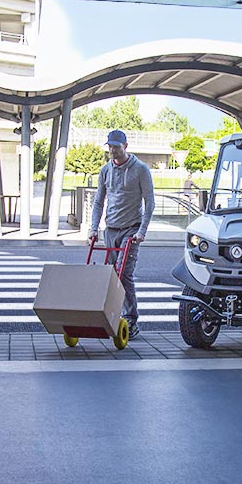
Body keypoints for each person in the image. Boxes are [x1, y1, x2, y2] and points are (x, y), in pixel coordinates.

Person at [89, 130, 155, 340]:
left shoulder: (140, 170)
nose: (112, 150)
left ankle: (131, 319)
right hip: (111, 229)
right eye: (110, 146)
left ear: (125, 146)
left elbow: (149, 202)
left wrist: (142, 231)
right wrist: (93, 228)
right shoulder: (105, 171)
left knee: (123, 274)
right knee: (111, 274)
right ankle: (109, 314)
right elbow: (99, 202)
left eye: (116, 146)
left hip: (131, 230)